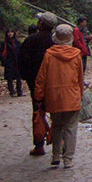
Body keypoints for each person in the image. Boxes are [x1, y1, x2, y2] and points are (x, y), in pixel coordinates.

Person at [34, 24, 84, 169]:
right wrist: (79, 95)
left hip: (54, 96)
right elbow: (80, 77)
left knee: (56, 126)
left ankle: (56, 155)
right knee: (70, 127)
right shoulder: (76, 54)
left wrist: (39, 96)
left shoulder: (49, 54)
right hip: (72, 96)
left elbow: (41, 78)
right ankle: (68, 159)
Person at [18, 11, 57, 156]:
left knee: (38, 112)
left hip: (36, 83)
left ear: (41, 24)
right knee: (56, 114)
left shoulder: (31, 40)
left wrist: (27, 78)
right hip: (54, 83)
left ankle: (39, 145)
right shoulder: (56, 41)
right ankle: (58, 147)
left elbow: (22, 62)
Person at [0, 28, 23, 97]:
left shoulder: (17, 43)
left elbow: (21, 52)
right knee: (9, 78)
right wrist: (4, 61)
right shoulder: (4, 43)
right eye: (9, 32)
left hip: (16, 61)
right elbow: (1, 52)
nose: (10, 34)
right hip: (9, 62)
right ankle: (11, 91)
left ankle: (19, 91)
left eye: (11, 32)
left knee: (18, 77)